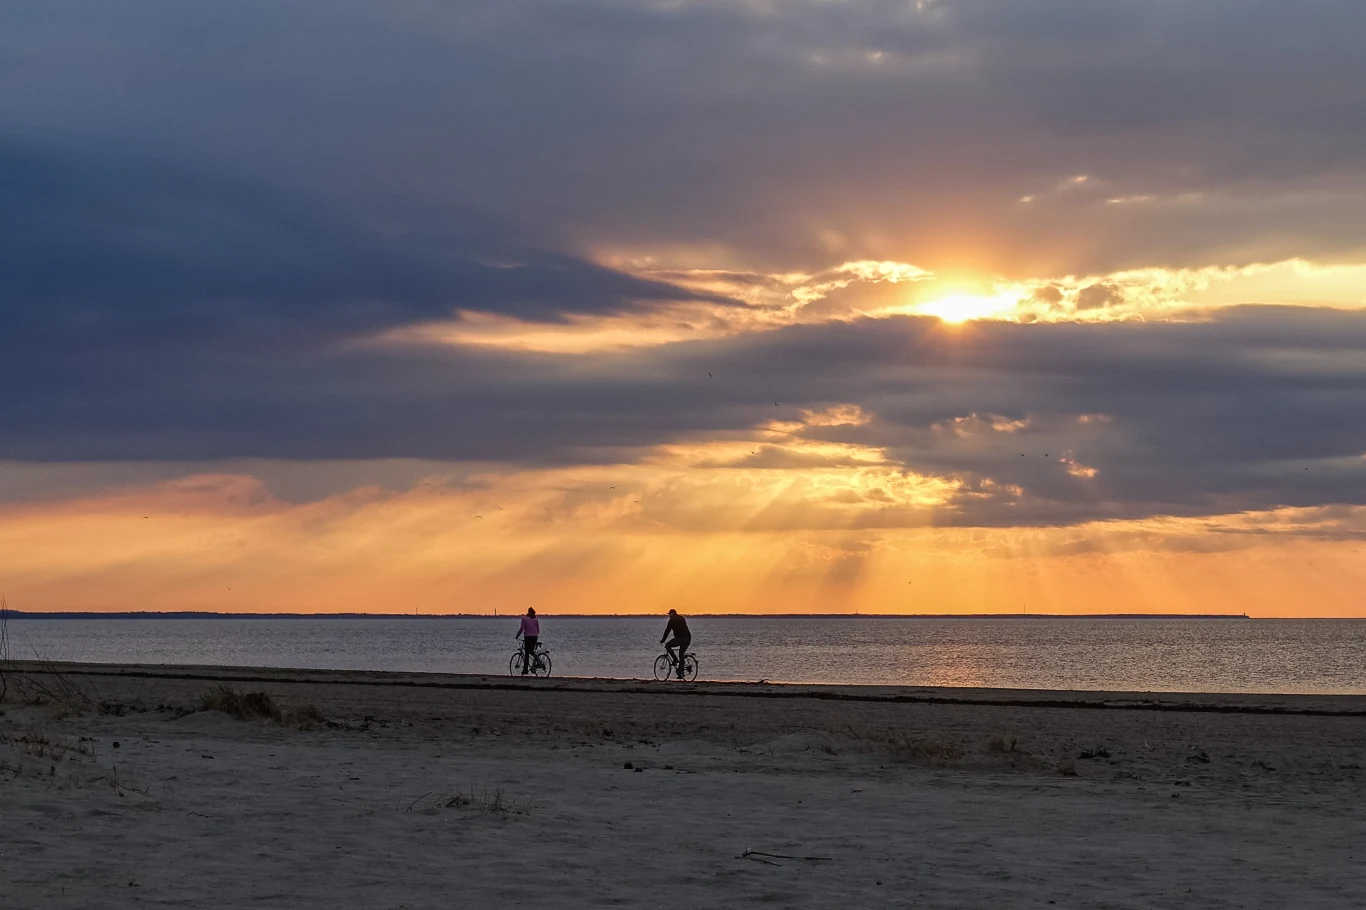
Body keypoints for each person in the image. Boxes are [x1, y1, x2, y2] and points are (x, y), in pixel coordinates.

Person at [660, 609, 691, 680]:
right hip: (687, 638)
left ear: (673, 613)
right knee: (681, 655)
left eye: (669, 614)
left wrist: (663, 640)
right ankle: (680, 673)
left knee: (667, 645)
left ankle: (675, 659)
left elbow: (667, 630)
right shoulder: (681, 618)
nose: (669, 616)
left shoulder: (672, 620)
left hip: (681, 638)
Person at [515, 608, 540, 675]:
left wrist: (517, 635)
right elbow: (538, 629)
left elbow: (522, 628)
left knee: (526, 653)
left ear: (528, 612)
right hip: (535, 637)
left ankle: (525, 670)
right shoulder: (536, 619)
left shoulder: (524, 618)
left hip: (528, 637)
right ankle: (537, 660)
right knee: (531, 651)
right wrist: (535, 634)